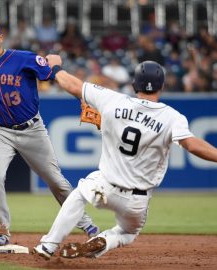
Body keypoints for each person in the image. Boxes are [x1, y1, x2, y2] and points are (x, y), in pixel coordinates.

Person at [34, 57, 217, 260]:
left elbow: (74, 86)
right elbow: (192, 145)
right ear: (162, 86)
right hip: (136, 200)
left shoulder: (113, 100)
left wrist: (55, 68)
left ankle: (48, 245)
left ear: (134, 84)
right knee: (127, 233)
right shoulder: (172, 117)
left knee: (78, 195)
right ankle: (105, 240)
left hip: (104, 187)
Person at [0, 20, 99, 246]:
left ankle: (87, 224)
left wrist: (81, 97)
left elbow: (53, 67)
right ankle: (0, 230)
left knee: (56, 181)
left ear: (1, 38)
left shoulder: (22, 58)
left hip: (32, 129)